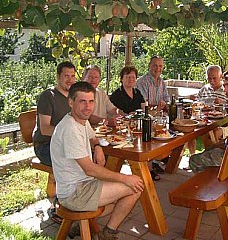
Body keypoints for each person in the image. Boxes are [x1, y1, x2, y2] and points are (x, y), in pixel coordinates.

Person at [51, 81, 143, 240]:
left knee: (119, 201)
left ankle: (77, 226)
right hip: (75, 193)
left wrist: (97, 147)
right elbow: (90, 169)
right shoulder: (70, 129)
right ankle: (106, 235)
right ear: (71, 102)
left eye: (91, 101)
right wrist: (125, 178)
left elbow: (93, 136)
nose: (88, 107)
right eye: (82, 101)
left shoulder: (80, 120)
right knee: (136, 186)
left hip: (83, 184)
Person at [110, 66, 160, 181]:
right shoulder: (117, 94)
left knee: (149, 137)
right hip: (124, 128)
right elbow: (116, 112)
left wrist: (152, 109)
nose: (131, 79)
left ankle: (150, 167)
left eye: (133, 77)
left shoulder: (137, 92)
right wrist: (128, 115)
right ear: (121, 79)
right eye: (128, 77)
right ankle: (146, 170)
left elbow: (144, 107)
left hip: (137, 126)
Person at [33, 61, 76, 166]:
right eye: (66, 76)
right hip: (46, 146)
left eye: (72, 76)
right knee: (78, 163)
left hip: (68, 143)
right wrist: (71, 135)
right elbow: (45, 129)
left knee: (99, 155)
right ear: (58, 77)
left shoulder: (74, 97)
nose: (70, 80)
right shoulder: (48, 96)